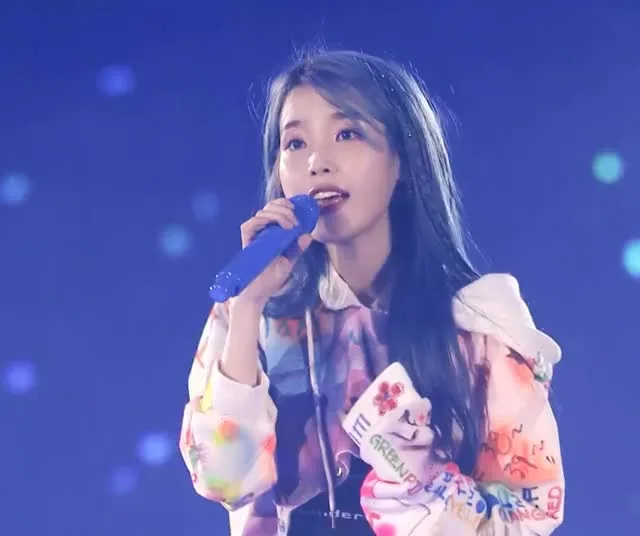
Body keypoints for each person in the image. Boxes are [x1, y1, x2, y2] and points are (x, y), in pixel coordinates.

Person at [179, 48, 565, 536]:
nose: (317, 162)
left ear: (402, 160)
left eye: (347, 134)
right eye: (295, 143)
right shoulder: (254, 311)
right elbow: (223, 479)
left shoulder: (478, 324)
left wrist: (422, 479)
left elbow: (528, 515)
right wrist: (249, 305)